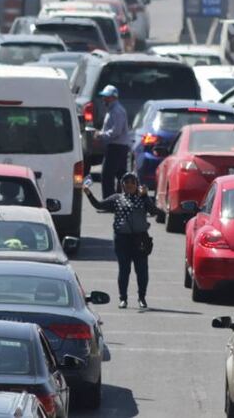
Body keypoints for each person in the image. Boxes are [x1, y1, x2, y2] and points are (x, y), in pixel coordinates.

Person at [86, 172, 161, 309]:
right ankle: (123, 298)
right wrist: (88, 193)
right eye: (126, 183)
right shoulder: (117, 199)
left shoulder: (143, 199)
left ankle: (142, 298)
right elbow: (98, 205)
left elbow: (154, 211)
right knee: (124, 270)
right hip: (122, 239)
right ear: (122, 185)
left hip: (140, 239)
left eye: (132, 183)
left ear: (137, 185)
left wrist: (145, 197)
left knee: (142, 270)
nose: (129, 185)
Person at [96, 85, 131, 198]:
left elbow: (116, 131)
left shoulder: (117, 111)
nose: (104, 99)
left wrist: (101, 135)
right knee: (121, 174)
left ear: (113, 97)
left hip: (116, 147)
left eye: (106, 97)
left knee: (107, 175)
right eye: (104, 97)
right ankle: (121, 199)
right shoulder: (112, 110)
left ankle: (109, 201)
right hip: (118, 146)